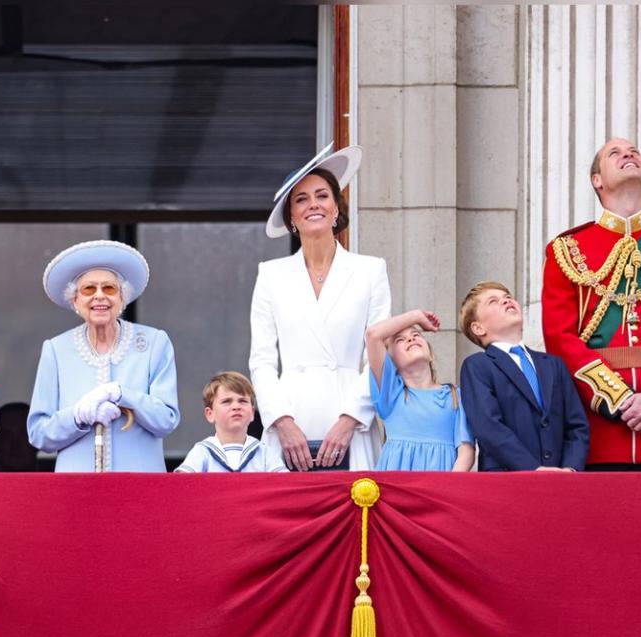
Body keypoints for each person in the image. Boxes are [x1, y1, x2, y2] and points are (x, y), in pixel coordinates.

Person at [250, 144, 391, 471]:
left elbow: (377, 354)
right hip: (291, 421)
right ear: (292, 219)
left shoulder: (370, 270)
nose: (313, 204)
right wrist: (282, 422)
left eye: (322, 195)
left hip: (350, 420)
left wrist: (349, 420)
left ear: (336, 209)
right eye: (301, 199)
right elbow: (262, 360)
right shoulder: (271, 275)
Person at [542, 137, 641, 470]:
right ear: (596, 180)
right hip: (600, 435)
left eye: (634, 151)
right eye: (615, 153)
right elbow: (560, 338)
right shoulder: (567, 249)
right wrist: (618, 399)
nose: (628, 154)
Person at [27, 240, 180, 471]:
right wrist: (77, 417)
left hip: (141, 485)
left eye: (109, 288)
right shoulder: (56, 350)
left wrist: (121, 394)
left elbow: (166, 420)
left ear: (122, 299)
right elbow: (39, 434)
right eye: (88, 289)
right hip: (76, 486)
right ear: (75, 301)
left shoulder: (154, 343)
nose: (99, 296)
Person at [459, 281, 589, 472]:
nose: (506, 301)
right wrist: (533, 469)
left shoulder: (553, 364)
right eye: (493, 301)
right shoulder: (478, 366)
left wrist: (571, 468)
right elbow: (489, 426)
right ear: (478, 328)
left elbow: (577, 425)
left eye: (508, 297)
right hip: (507, 480)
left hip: (561, 479)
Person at [365, 310, 474, 471]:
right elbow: (373, 335)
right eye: (400, 340)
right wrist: (416, 316)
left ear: (431, 355)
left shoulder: (455, 395)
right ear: (390, 362)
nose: (410, 338)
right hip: (397, 486)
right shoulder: (391, 394)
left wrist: (449, 488)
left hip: (440, 484)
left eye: (416, 335)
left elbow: (466, 451)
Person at [175, 371, 287, 473]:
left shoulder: (264, 453)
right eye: (227, 402)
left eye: (242, 401)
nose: (236, 406)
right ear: (210, 414)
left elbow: (285, 484)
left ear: (252, 413)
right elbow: (181, 483)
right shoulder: (203, 451)